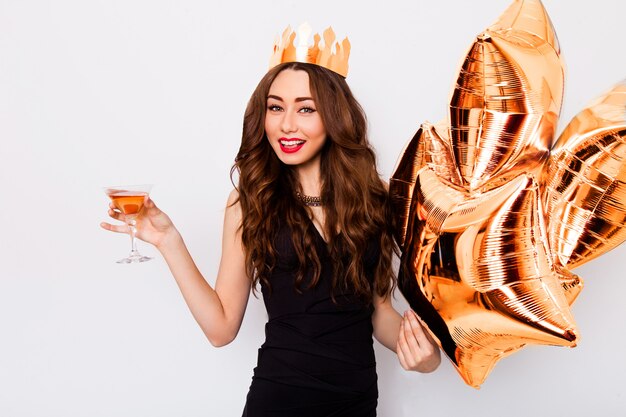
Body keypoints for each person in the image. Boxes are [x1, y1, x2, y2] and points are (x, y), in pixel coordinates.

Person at [101, 25, 440, 416]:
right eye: (275, 107)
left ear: (334, 117)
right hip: (277, 400)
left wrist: (422, 354)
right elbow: (221, 328)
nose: (287, 124)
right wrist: (169, 241)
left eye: (306, 109)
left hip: (356, 402)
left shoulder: (377, 198)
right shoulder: (249, 202)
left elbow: (379, 312)